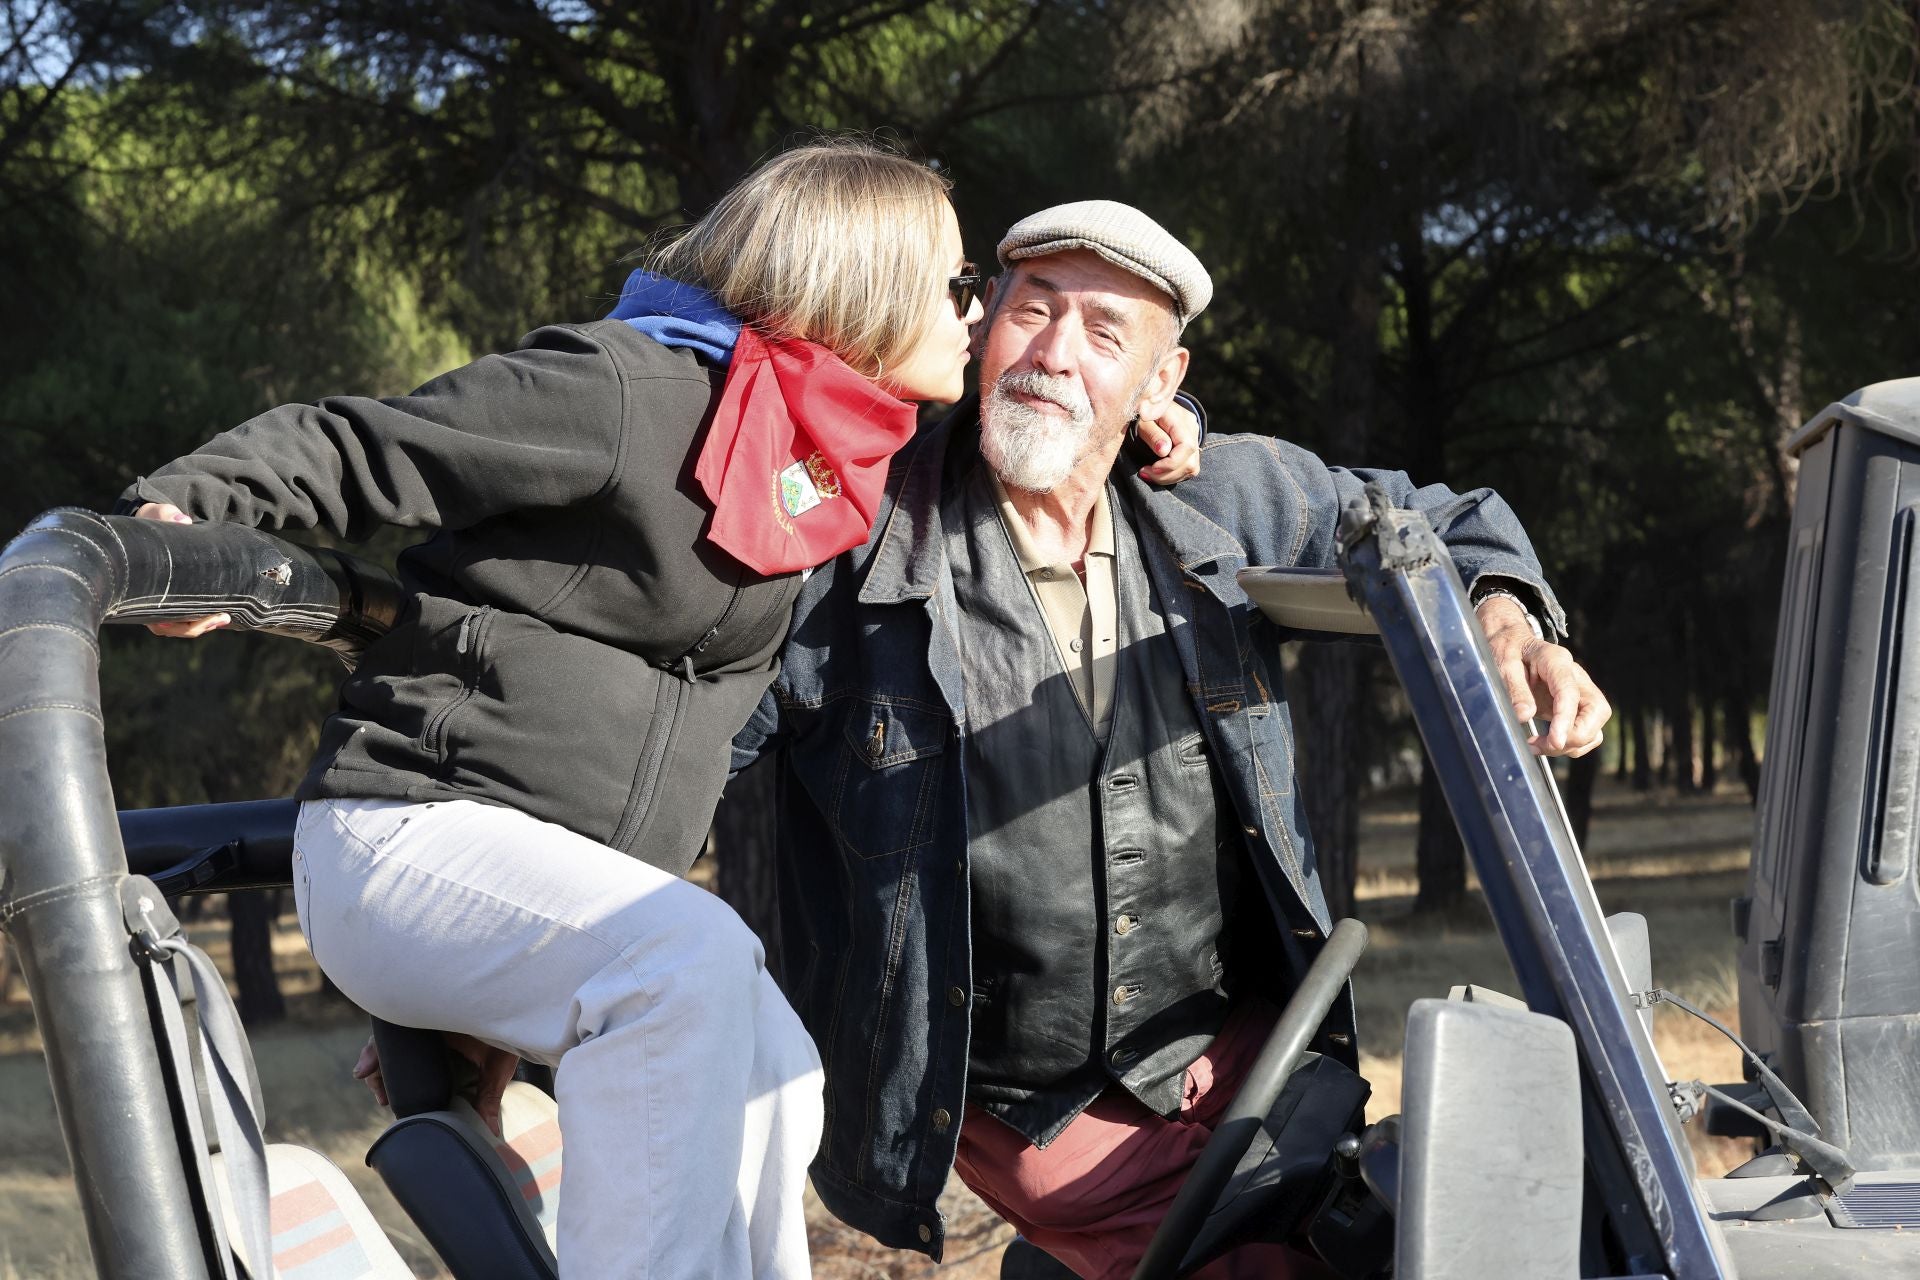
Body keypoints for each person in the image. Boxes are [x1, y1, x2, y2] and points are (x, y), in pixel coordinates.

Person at [116, 143, 1201, 1279]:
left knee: (778, 1068)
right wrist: (185, 512)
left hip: (552, 887)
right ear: (865, 286)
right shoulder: (629, 391)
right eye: (957, 283)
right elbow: (363, 444)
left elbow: (1040, 436)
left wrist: (1158, 420)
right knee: (689, 962)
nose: (974, 312)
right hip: (410, 832)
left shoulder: (831, 468)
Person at [730, 200, 1610, 1278]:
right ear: (983, 321)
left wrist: (1508, 618)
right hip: (1031, 1113)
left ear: (1161, 382)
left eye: (1105, 333)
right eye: (1033, 311)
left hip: (1246, 1060)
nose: (1054, 353)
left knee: (1433, 1212)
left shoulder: (1223, 499)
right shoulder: (851, 538)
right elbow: (688, 737)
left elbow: (1446, 518)